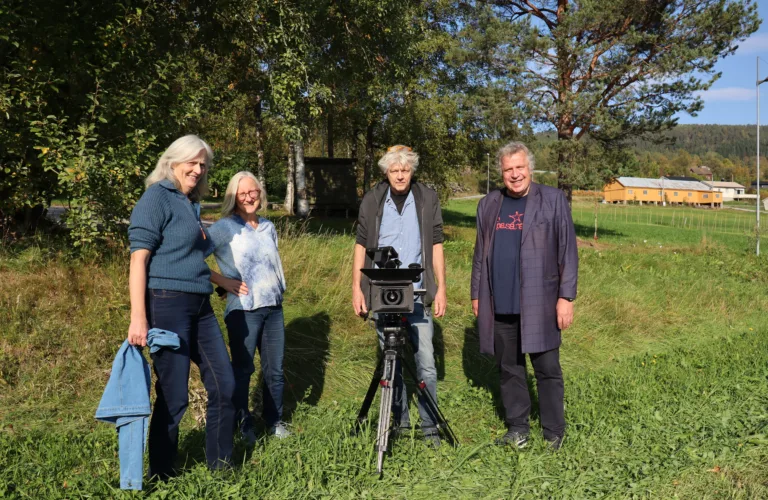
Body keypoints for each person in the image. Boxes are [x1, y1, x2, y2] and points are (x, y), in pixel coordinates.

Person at [127, 134, 235, 479]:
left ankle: (220, 465)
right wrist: (139, 318)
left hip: (199, 303)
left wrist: (220, 281)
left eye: (203, 164)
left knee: (224, 384)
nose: (199, 169)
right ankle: (161, 473)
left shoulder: (190, 202)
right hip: (165, 304)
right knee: (174, 395)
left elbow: (188, 259)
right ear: (173, 161)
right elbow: (138, 260)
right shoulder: (157, 196)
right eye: (193, 162)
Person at [470, 141, 578, 450]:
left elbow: (567, 252)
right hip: (500, 301)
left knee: (547, 369)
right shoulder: (488, 204)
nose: (514, 175)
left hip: (541, 303)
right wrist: (477, 294)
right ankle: (518, 428)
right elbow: (480, 254)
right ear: (501, 172)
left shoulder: (553, 200)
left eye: (519, 167)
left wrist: (565, 297)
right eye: (508, 169)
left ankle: (553, 431)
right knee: (509, 370)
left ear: (529, 168)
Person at [352, 145, 447, 446]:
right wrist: (356, 287)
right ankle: (400, 422)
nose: (400, 175)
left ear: (412, 171)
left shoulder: (427, 198)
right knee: (390, 364)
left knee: (426, 363)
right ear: (386, 172)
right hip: (383, 293)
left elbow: (436, 245)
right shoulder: (372, 200)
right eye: (394, 170)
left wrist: (441, 287)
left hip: (417, 293)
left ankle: (430, 427)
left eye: (405, 170)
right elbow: (360, 246)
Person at [207, 171, 290, 445]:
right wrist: (223, 281)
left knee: (274, 371)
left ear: (260, 193)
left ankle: (275, 421)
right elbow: (191, 255)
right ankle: (243, 425)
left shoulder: (268, 226)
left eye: (253, 191)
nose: (249, 197)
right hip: (244, 310)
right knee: (243, 371)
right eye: (242, 194)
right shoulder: (224, 227)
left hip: (273, 308)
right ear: (234, 198)